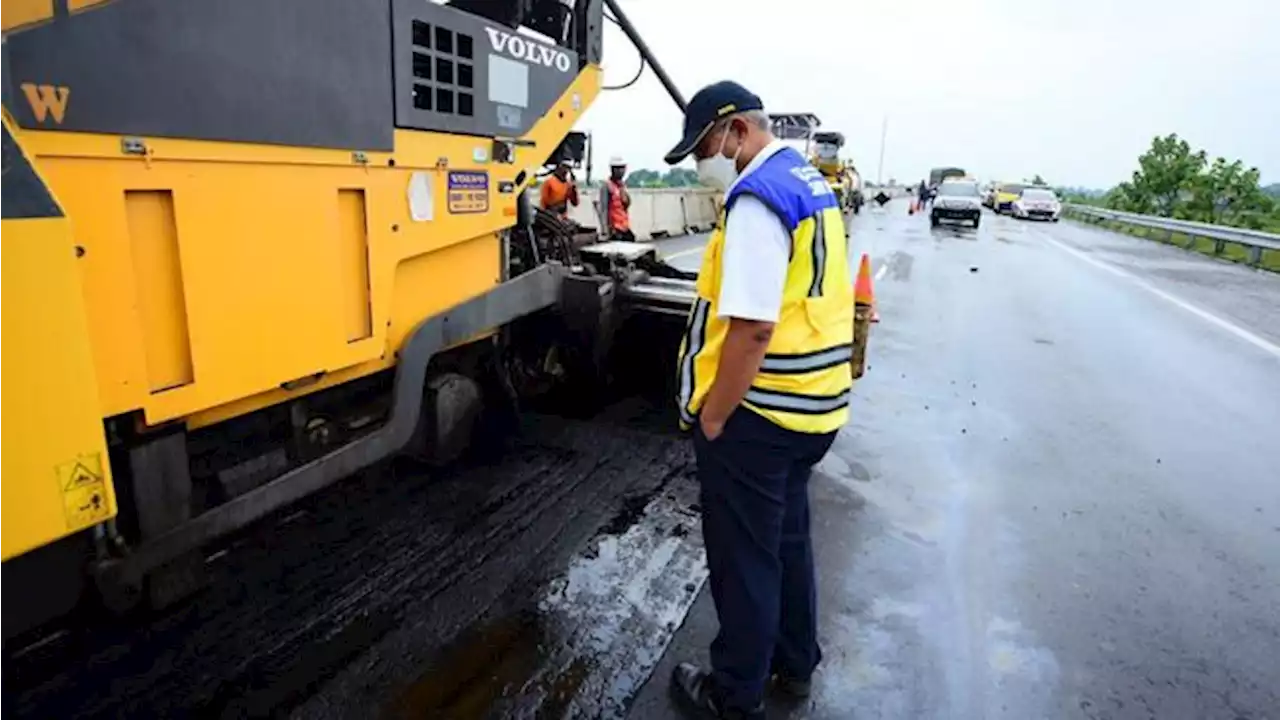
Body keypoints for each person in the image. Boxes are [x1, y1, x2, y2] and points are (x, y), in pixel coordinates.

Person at [663, 80, 854, 720]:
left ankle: (733, 695)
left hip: (761, 413)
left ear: (738, 132)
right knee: (788, 544)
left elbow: (751, 327)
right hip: (814, 406)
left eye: (705, 147)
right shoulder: (809, 181)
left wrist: (713, 414)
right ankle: (794, 665)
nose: (703, 164)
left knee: (745, 560)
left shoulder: (756, 200)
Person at [599, 156, 635, 241]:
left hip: (624, 226)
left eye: (622, 168)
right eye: (618, 168)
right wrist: (605, 230)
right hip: (614, 228)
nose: (621, 171)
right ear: (612, 169)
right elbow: (603, 209)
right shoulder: (607, 186)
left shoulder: (622, 186)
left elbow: (626, 205)